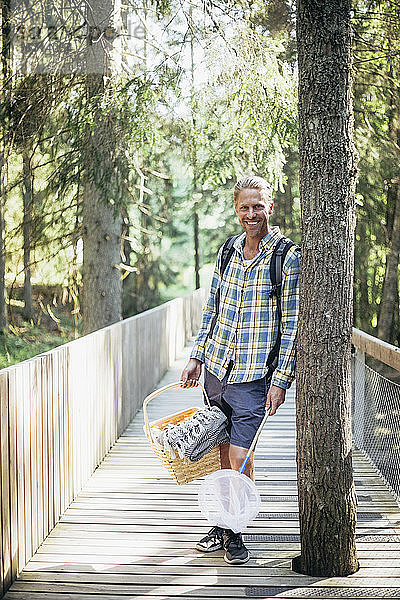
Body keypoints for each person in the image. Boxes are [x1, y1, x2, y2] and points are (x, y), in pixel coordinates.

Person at [180, 175, 300, 565]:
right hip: (217, 370)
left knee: (240, 455)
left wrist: (280, 381)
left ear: (270, 207)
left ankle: (235, 531)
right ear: (236, 209)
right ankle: (223, 523)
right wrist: (198, 355)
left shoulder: (286, 255)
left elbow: (292, 326)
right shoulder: (228, 251)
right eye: (244, 207)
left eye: (258, 206)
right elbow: (211, 308)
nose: (252, 214)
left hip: (253, 378)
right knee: (220, 452)